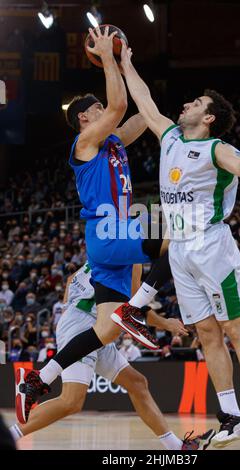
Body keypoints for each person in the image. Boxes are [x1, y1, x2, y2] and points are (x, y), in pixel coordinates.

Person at [118, 44, 240, 450]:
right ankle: (230, 417)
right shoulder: (171, 136)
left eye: (197, 102)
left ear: (208, 118)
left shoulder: (216, 148)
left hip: (212, 246)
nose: (187, 103)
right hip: (180, 252)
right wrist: (125, 62)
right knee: (207, 332)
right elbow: (145, 101)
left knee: (233, 326)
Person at [15, 26, 179, 422]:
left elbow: (147, 115)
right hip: (109, 233)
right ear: (86, 117)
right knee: (183, 236)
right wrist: (106, 56)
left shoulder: (114, 143)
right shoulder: (85, 144)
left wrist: (127, 64)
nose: (105, 111)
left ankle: (38, 380)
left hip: (113, 246)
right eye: (98, 110)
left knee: (106, 331)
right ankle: (138, 310)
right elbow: (119, 108)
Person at [13, 262, 215, 450]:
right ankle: (9, 435)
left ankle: (176, 447)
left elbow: (70, 279)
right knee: (71, 401)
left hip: (94, 326)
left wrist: (69, 308)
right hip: (83, 326)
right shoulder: (132, 257)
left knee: (137, 383)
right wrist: (166, 323)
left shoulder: (104, 247)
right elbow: (135, 307)